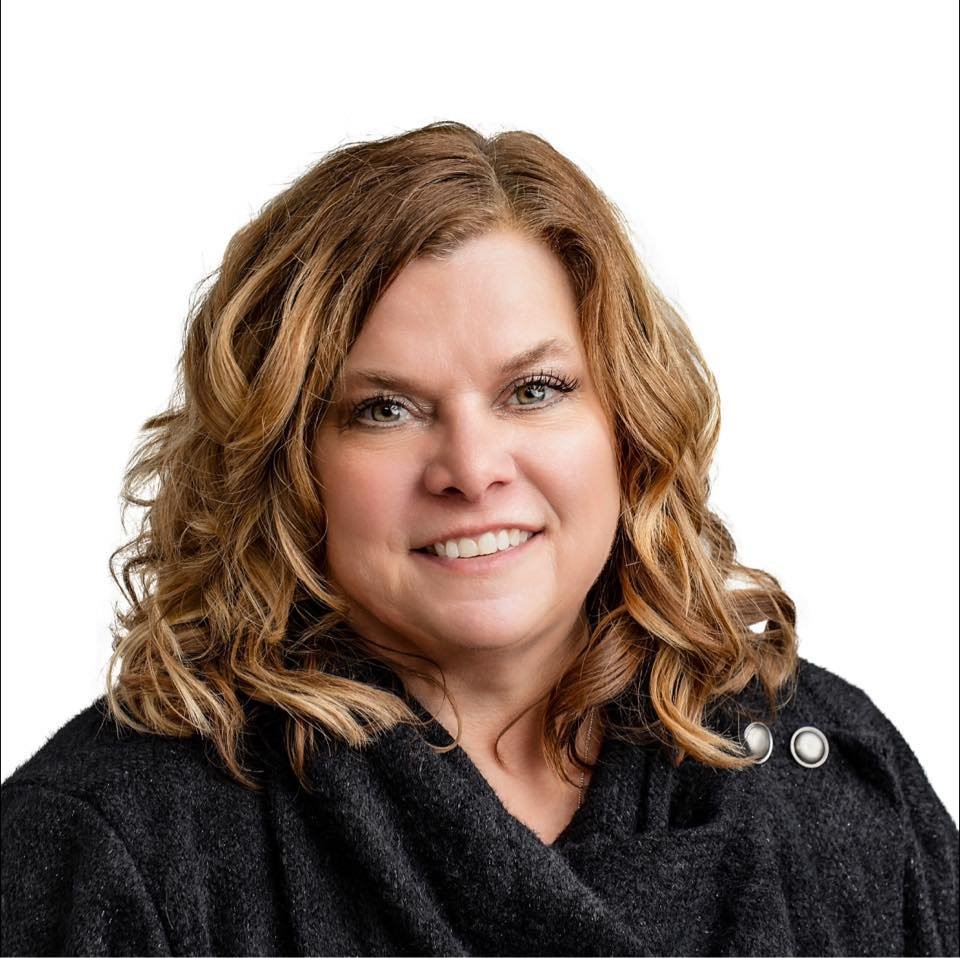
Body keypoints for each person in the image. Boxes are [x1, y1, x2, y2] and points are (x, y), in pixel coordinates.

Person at [1, 120, 957, 957]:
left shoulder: (829, 777)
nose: (472, 466)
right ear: (288, 463)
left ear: (628, 420)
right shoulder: (109, 843)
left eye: (534, 390)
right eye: (384, 409)